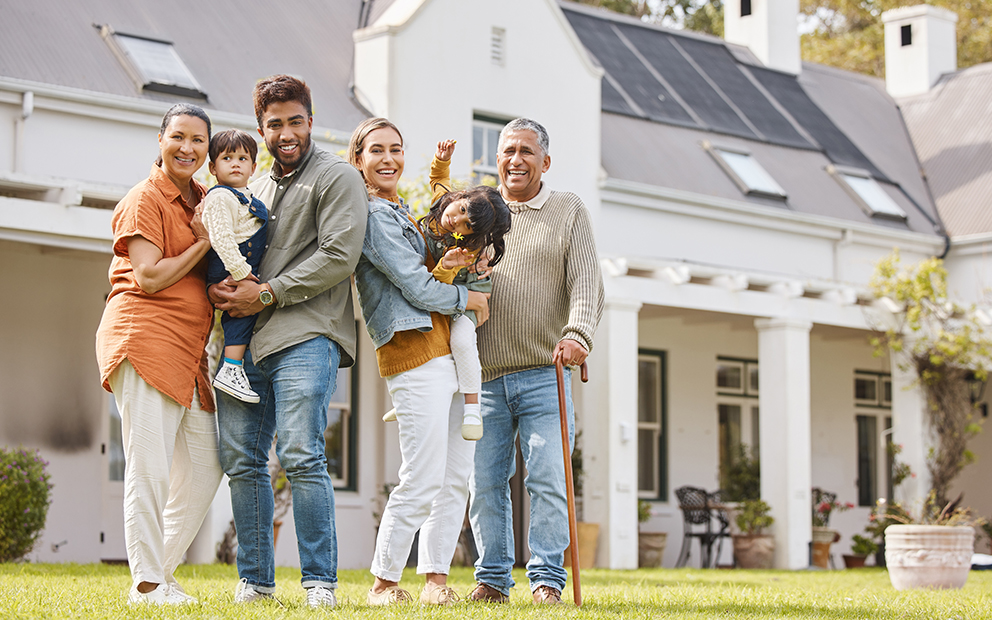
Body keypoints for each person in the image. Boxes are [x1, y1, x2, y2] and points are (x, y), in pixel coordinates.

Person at [208, 75, 368, 608]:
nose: (286, 132)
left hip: (307, 334)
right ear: (261, 130)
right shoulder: (249, 189)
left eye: (295, 121)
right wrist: (220, 284)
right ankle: (255, 582)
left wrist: (269, 293)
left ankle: (320, 583)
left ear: (311, 121)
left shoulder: (338, 176)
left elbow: (339, 256)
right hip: (245, 343)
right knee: (241, 458)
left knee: (301, 452)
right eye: (274, 124)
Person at [349, 118, 491, 606]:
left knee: (455, 479)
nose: (389, 158)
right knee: (423, 475)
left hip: (447, 349)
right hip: (413, 351)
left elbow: (440, 253)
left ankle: (435, 580)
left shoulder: (402, 210)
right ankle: (384, 583)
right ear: (359, 160)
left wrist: (470, 258)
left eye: (396, 149)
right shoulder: (373, 216)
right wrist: (468, 299)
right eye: (377, 150)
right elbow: (415, 286)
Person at [467, 118, 605, 605]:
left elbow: (586, 281)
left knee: (547, 478)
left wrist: (578, 334)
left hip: (545, 373)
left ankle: (547, 580)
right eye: (507, 150)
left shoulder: (566, 210)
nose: (515, 160)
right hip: (483, 378)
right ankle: (492, 580)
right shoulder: (480, 211)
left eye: (526, 151)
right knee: (484, 483)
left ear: (545, 162)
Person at [95, 103, 224, 605]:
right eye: (178, 137)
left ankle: (158, 573)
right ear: (160, 138)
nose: (188, 148)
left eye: (198, 140)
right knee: (148, 467)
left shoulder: (206, 199)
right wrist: (203, 244)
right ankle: (147, 584)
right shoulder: (143, 198)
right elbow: (148, 277)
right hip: (144, 336)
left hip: (190, 348)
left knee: (206, 465)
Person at [382, 139, 511, 440]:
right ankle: (409, 401)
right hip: (450, 292)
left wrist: (450, 264)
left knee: (462, 341)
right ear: (461, 196)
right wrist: (442, 159)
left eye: (466, 225)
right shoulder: (445, 204)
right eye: (462, 209)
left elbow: (441, 288)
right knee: (427, 337)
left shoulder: (464, 250)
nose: (457, 219)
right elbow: (439, 179)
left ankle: (472, 408)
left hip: (469, 294)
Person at [201, 129, 268, 403]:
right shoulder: (220, 197)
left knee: (245, 315)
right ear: (213, 167)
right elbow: (221, 238)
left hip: (242, 263)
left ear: (253, 167)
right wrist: (241, 273)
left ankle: (233, 366)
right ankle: (231, 368)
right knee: (240, 313)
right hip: (230, 265)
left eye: (243, 158)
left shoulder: (250, 198)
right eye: (227, 158)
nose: (236, 163)